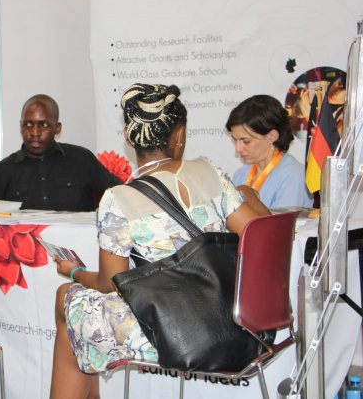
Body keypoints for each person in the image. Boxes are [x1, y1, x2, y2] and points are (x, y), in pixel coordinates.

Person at [49, 84, 264, 399]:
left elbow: (109, 284)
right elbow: (258, 237)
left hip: (173, 332)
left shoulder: (119, 199)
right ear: (179, 134)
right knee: (75, 312)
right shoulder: (210, 172)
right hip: (233, 318)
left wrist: (74, 272)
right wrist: (250, 196)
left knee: (67, 301)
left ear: (129, 138)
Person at [0, 94, 121, 211]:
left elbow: (122, 193)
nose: (35, 133)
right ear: (20, 126)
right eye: (28, 125)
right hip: (24, 249)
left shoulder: (81, 159)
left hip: (77, 247)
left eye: (43, 125)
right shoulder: (2, 171)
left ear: (57, 128)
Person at [225, 94, 313, 209]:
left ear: (272, 136)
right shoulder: (240, 175)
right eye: (235, 140)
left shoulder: (294, 175)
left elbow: (283, 220)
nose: (238, 149)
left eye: (246, 141)